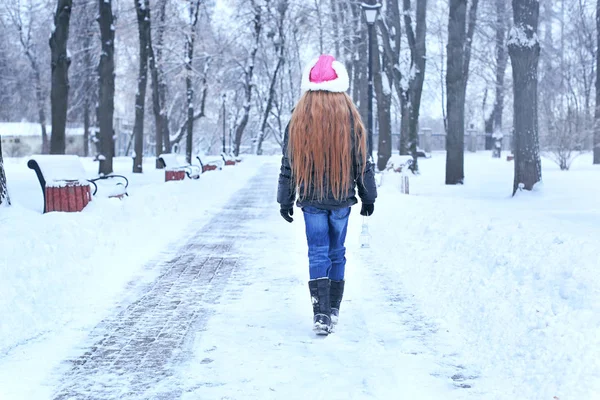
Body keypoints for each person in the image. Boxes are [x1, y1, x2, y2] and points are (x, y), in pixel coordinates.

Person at [277, 54, 377, 335]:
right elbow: (362, 161)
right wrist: (368, 196)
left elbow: (289, 163)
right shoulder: (350, 119)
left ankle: (320, 314)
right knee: (337, 251)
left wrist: (285, 199)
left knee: (317, 252)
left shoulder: (299, 120)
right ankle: (333, 307)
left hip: (311, 200)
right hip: (342, 198)